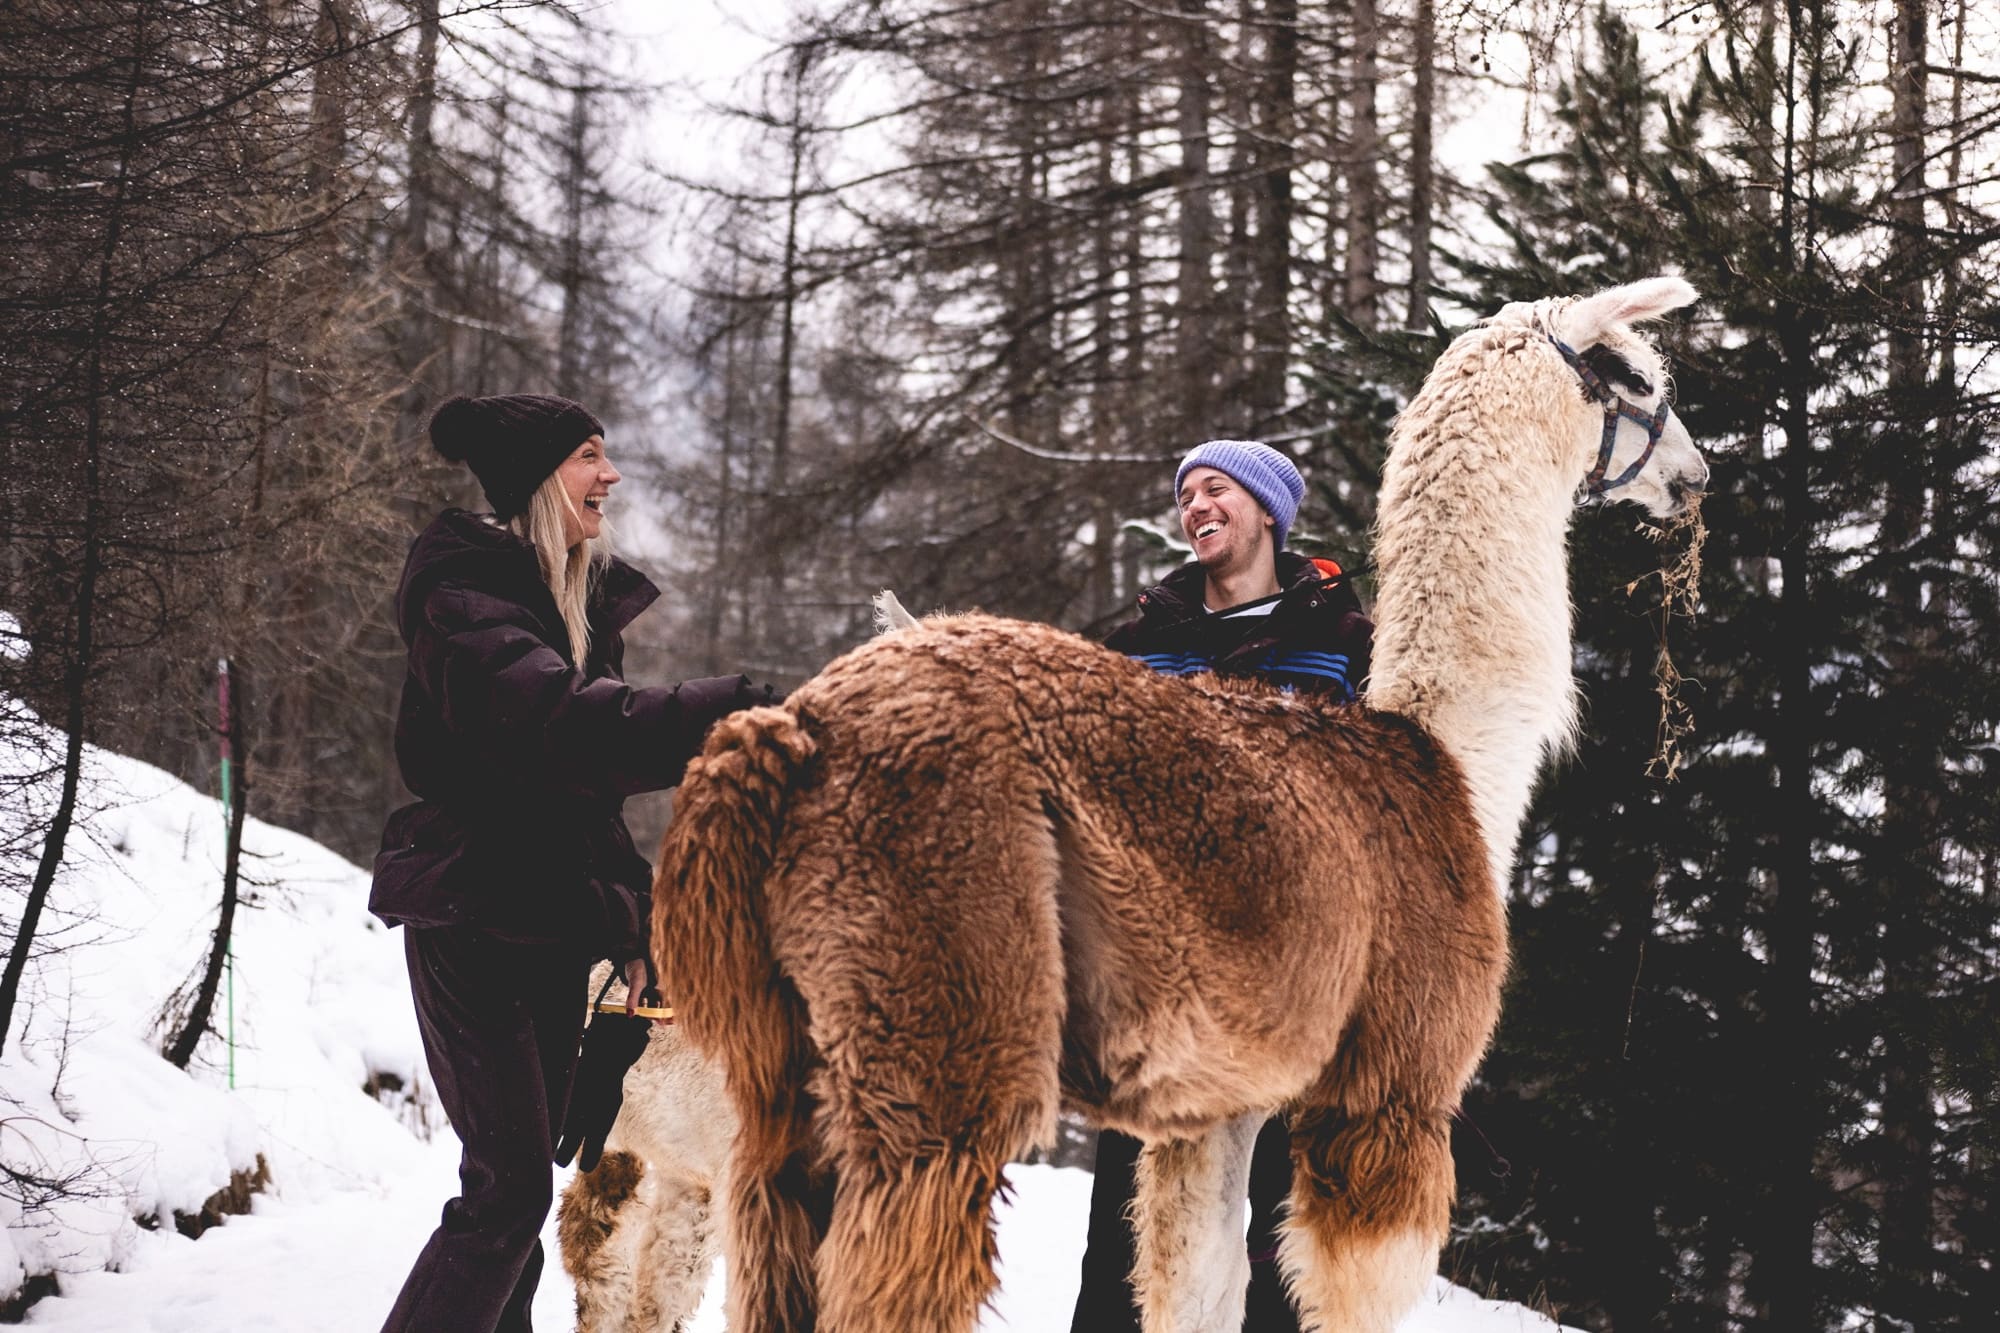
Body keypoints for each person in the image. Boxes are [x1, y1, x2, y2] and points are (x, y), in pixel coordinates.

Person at [370, 392, 771, 1333]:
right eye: (591, 454)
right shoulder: (460, 599)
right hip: (471, 917)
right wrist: (729, 711)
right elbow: (559, 729)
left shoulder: (569, 603)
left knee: (514, 1189)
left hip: (546, 920)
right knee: (505, 1194)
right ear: (535, 477)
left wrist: (635, 920)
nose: (612, 474)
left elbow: (583, 802)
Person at [1072, 438, 1374, 1333]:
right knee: (1129, 1239)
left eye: (1218, 489)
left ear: (1270, 512)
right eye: (1187, 494)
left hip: (1294, 984)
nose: (1197, 505)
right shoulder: (1140, 645)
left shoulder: (1346, 641)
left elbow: (1379, 799)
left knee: (1279, 1235)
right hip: (1156, 990)